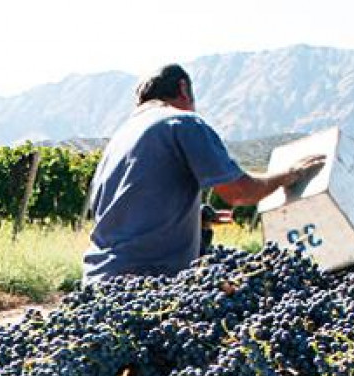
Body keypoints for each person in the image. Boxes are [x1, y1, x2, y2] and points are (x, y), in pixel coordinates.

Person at [83, 64, 324, 284]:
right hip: (146, 284)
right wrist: (288, 174)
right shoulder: (182, 122)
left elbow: (124, 207)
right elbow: (240, 193)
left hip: (99, 282)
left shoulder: (121, 137)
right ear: (183, 89)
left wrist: (192, 217)